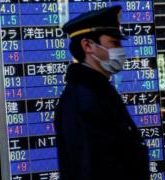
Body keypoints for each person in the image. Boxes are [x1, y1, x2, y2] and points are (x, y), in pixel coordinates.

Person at [55, 6, 150, 180]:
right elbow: (91, 167)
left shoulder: (97, 90)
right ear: (87, 45)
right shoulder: (84, 99)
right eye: (114, 43)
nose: (120, 50)